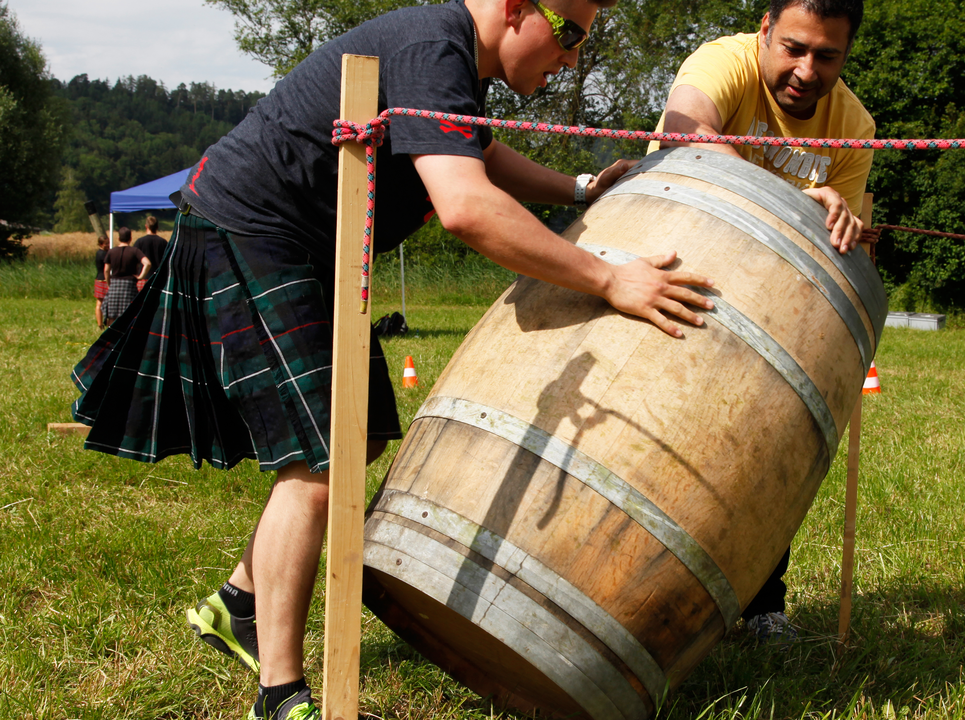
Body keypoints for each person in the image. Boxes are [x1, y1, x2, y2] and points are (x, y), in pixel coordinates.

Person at [69, 0, 714, 718]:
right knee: (323, 462)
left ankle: (237, 605)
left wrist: (579, 188)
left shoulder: (451, 62)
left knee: (360, 438)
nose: (571, 57)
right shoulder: (436, 48)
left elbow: (478, 153)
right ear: (515, 8)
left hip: (311, 251)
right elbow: (466, 206)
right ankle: (279, 697)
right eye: (568, 34)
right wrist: (609, 276)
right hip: (254, 233)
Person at [648, 0, 875, 643]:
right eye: (794, 48)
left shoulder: (854, 125)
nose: (806, 70)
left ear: (846, 54)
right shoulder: (723, 62)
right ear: (765, 30)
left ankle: (762, 606)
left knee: (766, 442)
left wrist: (848, 227)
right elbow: (683, 133)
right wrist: (796, 198)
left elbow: (839, 243)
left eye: (827, 56)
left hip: (770, 309)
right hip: (673, 267)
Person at [100, 227, 151, 325]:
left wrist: (109, 283)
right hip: (129, 285)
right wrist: (140, 276)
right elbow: (147, 263)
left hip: (114, 284)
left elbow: (106, 270)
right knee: (129, 314)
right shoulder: (134, 251)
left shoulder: (112, 251)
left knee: (112, 314)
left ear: (119, 238)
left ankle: (112, 337)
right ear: (130, 238)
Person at [133, 215, 168, 291]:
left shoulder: (140, 242)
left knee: (140, 302)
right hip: (159, 279)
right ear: (157, 227)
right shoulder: (163, 242)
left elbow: (134, 261)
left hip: (143, 277)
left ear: (146, 226)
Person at [92, 235, 108, 329]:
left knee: (100, 302)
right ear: (101, 244)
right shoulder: (102, 254)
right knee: (100, 303)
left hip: (100, 278)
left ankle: (102, 323)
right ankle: (100, 324)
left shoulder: (101, 253)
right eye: (106, 244)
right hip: (103, 280)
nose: (108, 245)